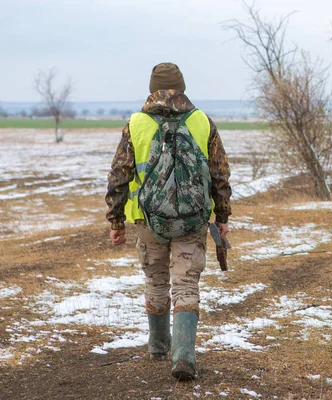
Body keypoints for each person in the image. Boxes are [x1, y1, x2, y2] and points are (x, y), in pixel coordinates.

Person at [105, 62, 232, 380]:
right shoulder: (202, 121)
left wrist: (116, 221)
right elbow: (219, 173)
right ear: (182, 87)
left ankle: (158, 347)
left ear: (152, 89)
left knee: (156, 281)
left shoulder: (136, 123)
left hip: (148, 221)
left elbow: (120, 175)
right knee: (186, 284)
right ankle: (184, 356)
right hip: (192, 221)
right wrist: (223, 216)